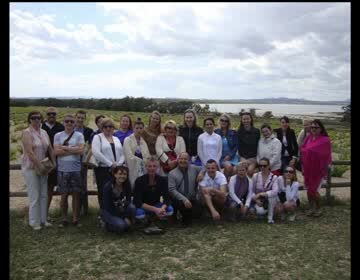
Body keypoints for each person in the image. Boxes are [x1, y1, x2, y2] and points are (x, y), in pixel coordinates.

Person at [21, 111, 56, 230]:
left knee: (43, 194)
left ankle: (43, 220)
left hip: (44, 166)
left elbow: (50, 149)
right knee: (34, 195)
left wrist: (53, 162)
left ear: (41, 119)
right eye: (33, 118)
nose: (36, 120)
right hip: (31, 167)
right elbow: (29, 152)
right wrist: (38, 165)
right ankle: (34, 222)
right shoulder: (26, 133)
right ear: (29, 120)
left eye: (38, 118)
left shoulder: (44, 132)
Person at [54, 114, 85, 227]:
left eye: (71, 121)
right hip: (62, 169)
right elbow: (56, 152)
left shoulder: (79, 135)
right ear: (63, 122)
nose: (69, 123)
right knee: (64, 195)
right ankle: (64, 218)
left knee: (76, 195)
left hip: (75, 169)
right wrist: (73, 149)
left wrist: (64, 147)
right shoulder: (58, 135)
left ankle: (75, 218)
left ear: (74, 123)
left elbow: (81, 150)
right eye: (67, 121)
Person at [92, 118, 125, 210]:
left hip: (117, 170)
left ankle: (114, 211)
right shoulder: (97, 137)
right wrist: (110, 163)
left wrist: (118, 164)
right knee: (103, 192)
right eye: (106, 126)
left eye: (110, 126)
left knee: (115, 191)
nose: (108, 128)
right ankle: (103, 214)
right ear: (102, 128)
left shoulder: (116, 139)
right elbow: (96, 153)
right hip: (103, 170)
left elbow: (122, 154)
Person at [301, 119, 331, 217]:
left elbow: (325, 154)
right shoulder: (308, 138)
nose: (313, 129)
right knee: (309, 190)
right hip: (308, 168)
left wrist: (310, 151)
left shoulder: (325, 140)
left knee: (314, 190)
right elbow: (303, 149)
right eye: (312, 127)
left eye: (316, 127)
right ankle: (311, 208)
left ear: (321, 129)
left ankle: (318, 208)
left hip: (318, 170)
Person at [133, 157, 174, 222]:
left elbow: (167, 198)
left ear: (157, 167)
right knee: (139, 214)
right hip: (144, 206)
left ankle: (155, 217)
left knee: (170, 210)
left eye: (154, 166)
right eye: (149, 166)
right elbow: (137, 202)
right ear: (146, 167)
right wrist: (156, 209)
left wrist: (162, 209)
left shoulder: (162, 180)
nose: (152, 168)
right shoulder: (139, 181)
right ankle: (147, 218)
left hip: (156, 204)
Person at [41, 107, 64, 219]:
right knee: (40, 188)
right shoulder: (40, 126)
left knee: (50, 188)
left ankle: (45, 212)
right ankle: (38, 213)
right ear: (46, 115)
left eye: (53, 114)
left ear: (56, 115)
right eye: (49, 114)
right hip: (40, 162)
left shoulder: (61, 127)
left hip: (56, 162)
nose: (51, 115)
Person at [168, 152, 203, 226]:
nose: (183, 161)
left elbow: (204, 167)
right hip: (179, 199)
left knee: (199, 211)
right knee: (186, 217)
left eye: (185, 159)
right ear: (177, 160)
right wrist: (184, 199)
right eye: (181, 159)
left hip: (191, 198)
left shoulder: (193, 168)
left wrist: (201, 173)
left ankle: (187, 216)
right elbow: (172, 190)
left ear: (189, 160)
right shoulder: (172, 173)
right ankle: (176, 216)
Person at [101, 166, 136, 233]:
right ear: (115, 174)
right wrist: (124, 217)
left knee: (132, 207)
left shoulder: (127, 184)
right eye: (120, 174)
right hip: (108, 211)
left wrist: (124, 215)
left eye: (124, 174)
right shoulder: (108, 187)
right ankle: (106, 224)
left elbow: (128, 201)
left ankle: (131, 224)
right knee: (121, 226)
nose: (122, 176)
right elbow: (109, 207)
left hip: (120, 208)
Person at [74, 110, 94, 214]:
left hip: (82, 162)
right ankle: (74, 209)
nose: (80, 119)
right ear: (75, 117)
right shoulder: (69, 129)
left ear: (85, 119)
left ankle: (82, 209)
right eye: (79, 117)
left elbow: (91, 146)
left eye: (82, 118)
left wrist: (86, 159)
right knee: (71, 186)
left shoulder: (88, 131)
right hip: (70, 162)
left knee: (82, 185)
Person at [248, 157, 279, 224]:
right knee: (260, 212)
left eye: (264, 166)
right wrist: (256, 200)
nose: (262, 167)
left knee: (272, 197)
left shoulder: (274, 177)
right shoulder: (255, 176)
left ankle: (270, 218)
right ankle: (264, 213)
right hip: (258, 199)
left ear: (268, 166)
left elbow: (275, 191)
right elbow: (251, 191)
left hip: (269, 199)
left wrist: (262, 194)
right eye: (260, 166)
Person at [123, 118, 150, 189]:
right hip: (131, 169)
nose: (139, 130)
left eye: (141, 128)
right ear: (133, 128)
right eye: (137, 128)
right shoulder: (127, 140)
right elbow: (129, 156)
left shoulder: (143, 142)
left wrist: (145, 161)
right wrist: (141, 160)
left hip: (142, 170)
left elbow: (147, 156)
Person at [214, 113, 239, 179]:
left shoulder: (233, 132)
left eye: (226, 121)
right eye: (222, 120)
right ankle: (224, 183)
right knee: (228, 166)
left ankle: (228, 184)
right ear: (219, 121)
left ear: (228, 123)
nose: (224, 122)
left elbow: (236, 146)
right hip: (220, 157)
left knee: (235, 170)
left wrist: (230, 155)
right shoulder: (215, 132)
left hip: (231, 157)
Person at [237, 111, 260, 177]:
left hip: (253, 158)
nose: (246, 121)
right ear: (241, 120)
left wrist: (254, 158)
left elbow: (258, 146)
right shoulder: (239, 131)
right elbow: (239, 147)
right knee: (240, 170)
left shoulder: (256, 131)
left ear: (251, 119)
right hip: (243, 158)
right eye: (244, 119)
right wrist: (242, 158)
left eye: (247, 119)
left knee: (250, 171)